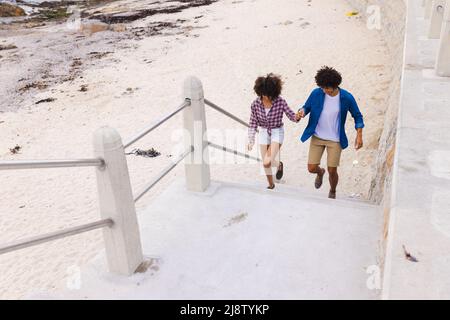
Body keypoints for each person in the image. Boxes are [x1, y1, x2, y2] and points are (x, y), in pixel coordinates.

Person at [297, 66, 364, 199]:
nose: (325, 90)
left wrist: (359, 135)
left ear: (335, 85)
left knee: (332, 170)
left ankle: (332, 190)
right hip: (317, 136)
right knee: (311, 168)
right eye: (323, 87)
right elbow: (306, 107)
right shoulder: (316, 93)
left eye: (327, 88)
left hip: (335, 139)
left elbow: (357, 116)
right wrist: (301, 112)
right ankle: (320, 172)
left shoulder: (347, 97)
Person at [248, 73, 301, 189]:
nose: (268, 97)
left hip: (277, 131)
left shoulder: (280, 101)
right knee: (267, 163)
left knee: (266, 162)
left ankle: (272, 182)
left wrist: (297, 117)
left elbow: (291, 114)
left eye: (271, 95)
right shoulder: (255, 104)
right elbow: (253, 122)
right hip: (263, 132)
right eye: (266, 94)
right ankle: (271, 183)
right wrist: (251, 139)